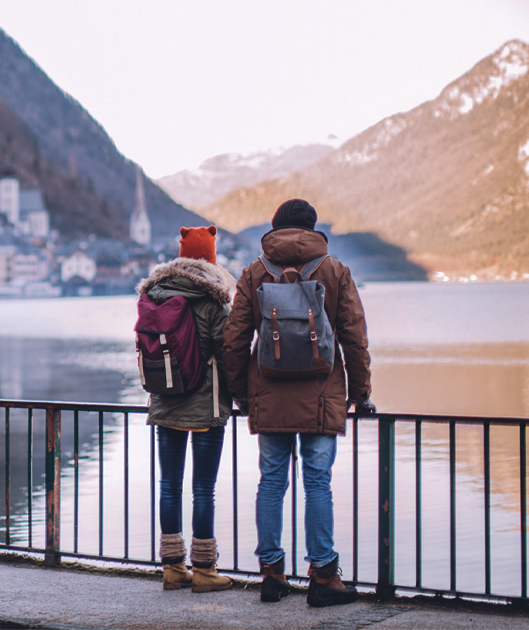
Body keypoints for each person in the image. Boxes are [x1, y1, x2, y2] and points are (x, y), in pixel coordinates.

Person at [222, 199, 375, 607]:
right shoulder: (334, 270)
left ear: (275, 228)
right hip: (322, 395)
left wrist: (240, 393)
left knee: (271, 482)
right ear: (312, 228)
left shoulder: (255, 272)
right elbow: (353, 338)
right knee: (317, 482)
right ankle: (323, 576)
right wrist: (360, 394)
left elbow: (235, 342)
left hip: (268, 394)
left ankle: (272, 574)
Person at [136, 225, 235, 593]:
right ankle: (206, 571)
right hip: (206, 405)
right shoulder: (212, 299)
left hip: (164, 401)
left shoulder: (154, 294)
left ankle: (173, 568)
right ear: (211, 257)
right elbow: (226, 354)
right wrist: (236, 395)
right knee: (203, 489)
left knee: (169, 486)